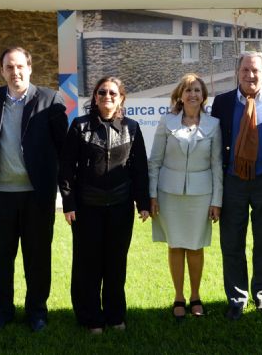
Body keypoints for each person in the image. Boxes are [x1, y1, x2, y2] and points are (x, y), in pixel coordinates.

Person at [0, 46, 68, 334]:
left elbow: (62, 150)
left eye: (20, 67)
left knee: (37, 257)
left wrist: (66, 194)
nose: (15, 72)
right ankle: (0, 313)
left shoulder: (50, 99)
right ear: (2, 71)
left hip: (36, 195)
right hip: (0, 194)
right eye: (9, 67)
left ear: (29, 69)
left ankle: (36, 312)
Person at [58, 76, 150, 334]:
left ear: (121, 98)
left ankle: (114, 315)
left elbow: (139, 169)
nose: (106, 97)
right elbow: (66, 168)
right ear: (95, 97)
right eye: (101, 93)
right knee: (88, 264)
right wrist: (69, 202)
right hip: (87, 207)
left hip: (120, 207)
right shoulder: (79, 126)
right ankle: (90, 318)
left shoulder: (132, 128)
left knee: (115, 263)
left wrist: (142, 202)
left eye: (112, 93)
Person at [210, 52, 262, 320]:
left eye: (255, 70)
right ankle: (237, 297)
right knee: (232, 241)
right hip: (233, 180)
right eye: (245, 70)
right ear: (237, 72)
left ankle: (260, 293)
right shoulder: (221, 103)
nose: (250, 75)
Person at [148, 73, 222, 321]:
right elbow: (155, 161)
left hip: (201, 195)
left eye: (197, 91)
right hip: (168, 194)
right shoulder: (166, 122)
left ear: (203, 97)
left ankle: (195, 296)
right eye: (188, 90)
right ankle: (178, 296)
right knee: (176, 245)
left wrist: (217, 201)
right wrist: (152, 195)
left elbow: (216, 166)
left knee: (196, 246)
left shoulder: (214, 124)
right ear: (180, 95)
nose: (192, 95)